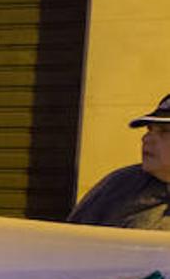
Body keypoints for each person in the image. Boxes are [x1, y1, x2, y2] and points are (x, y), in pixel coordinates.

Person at [67, 94, 170, 230]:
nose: (146, 138)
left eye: (164, 131)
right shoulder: (119, 184)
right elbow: (74, 239)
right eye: (150, 129)